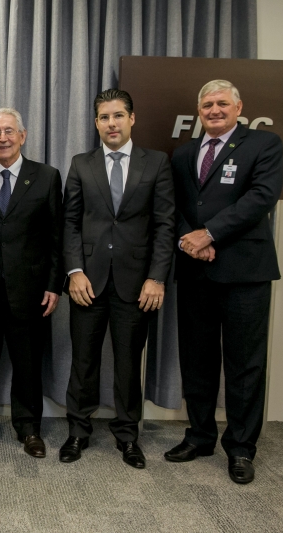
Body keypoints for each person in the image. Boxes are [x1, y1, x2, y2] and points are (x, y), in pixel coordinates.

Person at [167, 80, 283, 484]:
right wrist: (189, 238)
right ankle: (199, 436)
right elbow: (176, 206)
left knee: (244, 364)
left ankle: (240, 448)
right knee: (197, 360)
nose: (214, 111)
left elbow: (261, 198)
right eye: (207, 106)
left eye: (221, 104)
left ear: (238, 107)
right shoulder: (183, 154)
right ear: (198, 111)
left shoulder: (264, 144)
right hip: (196, 269)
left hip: (245, 272)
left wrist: (209, 234)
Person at [60, 89, 175, 469]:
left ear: (132, 119)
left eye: (118, 116)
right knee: (84, 362)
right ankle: (78, 432)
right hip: (87, 283)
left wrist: (157, 277)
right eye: (104, 117)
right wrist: (74, 271)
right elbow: (70, 224)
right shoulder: (81, 163)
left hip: (136, 284)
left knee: (128, 364)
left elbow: (164, 225)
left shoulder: (156, 163)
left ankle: (127, 437)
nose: (112, 123)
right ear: (96, 123)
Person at [0, 108, 63, 458]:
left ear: (23, 135)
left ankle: (29, 429)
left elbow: (56, 236)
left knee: (28, 364)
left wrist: (55, 285)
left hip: (30, 290)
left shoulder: (47, 177)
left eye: (8, 131)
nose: (2, 138)